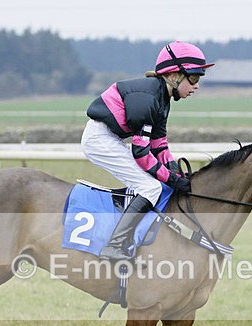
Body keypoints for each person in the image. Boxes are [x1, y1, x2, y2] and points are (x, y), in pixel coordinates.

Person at [81, 41, 214, 260]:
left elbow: (159, 143)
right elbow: (141, 154)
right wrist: (171, 179)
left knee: (156, 183)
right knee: (151, 188)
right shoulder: (148, 98)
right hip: (100, 140)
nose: (196, 85)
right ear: (173, 76)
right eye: (194, 78)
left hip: (111, 137)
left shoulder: (162, 97)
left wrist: (174, 171)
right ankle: (114, 246)